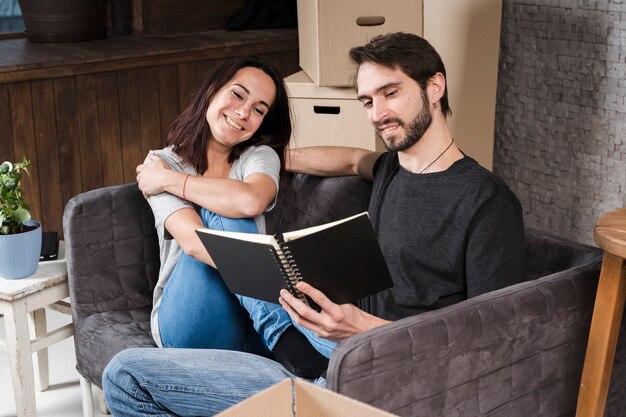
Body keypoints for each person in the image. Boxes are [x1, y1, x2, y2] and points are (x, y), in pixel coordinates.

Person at [103, 32, 526, 416]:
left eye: (390, 93)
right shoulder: (391, 170)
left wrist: (362, 328)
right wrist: (264, 154)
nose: (378, 113)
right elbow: (346, 157)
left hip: (387, 368)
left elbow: (494, 340)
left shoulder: (485, 200)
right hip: (332, 348)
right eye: (367, 101)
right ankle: (304, 374)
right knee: (124, 375)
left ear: (434, 87)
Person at [134, 55, 328, 376]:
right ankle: (285, 334)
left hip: (249, 325)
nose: (243, 113)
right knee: (219, 207)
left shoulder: (259, 156)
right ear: (212, 90)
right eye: (238, 94)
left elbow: (252, 199)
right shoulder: (161, 162)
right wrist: (274, 276)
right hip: (188, 324)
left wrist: (172, 182)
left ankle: (281, 336)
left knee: (232, 200)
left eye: (259, 109)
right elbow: (194, 244)